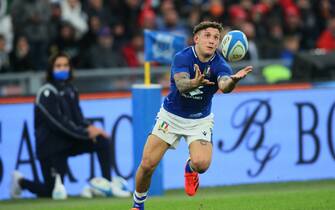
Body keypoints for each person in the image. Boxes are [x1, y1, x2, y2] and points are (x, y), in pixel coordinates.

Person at [130, 21, 252, 210]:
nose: (212, 41)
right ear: (196, 38)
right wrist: (194, 82)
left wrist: (233, 81)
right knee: (147, 165)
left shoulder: (220, 64)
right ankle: (138, 205)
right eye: (207, 36)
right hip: (171, 116)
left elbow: (224, 85)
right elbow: (181, 84)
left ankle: (190, 168)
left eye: (216, 38)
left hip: (199, 120)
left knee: (202, 164)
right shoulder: (183, 57)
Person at [10, 52, 111, 198]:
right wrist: (85, 133)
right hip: (51, 147)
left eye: (65, 65)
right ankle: (20, 182)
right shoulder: (46, 93)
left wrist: (91, 128)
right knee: (52, 192)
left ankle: (107, 186)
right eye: (58, 66)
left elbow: (78, 118)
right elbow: (59, 124)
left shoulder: (71, 90)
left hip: (69, 141)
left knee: (102, 140)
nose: (62, 69)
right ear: (51, 70)